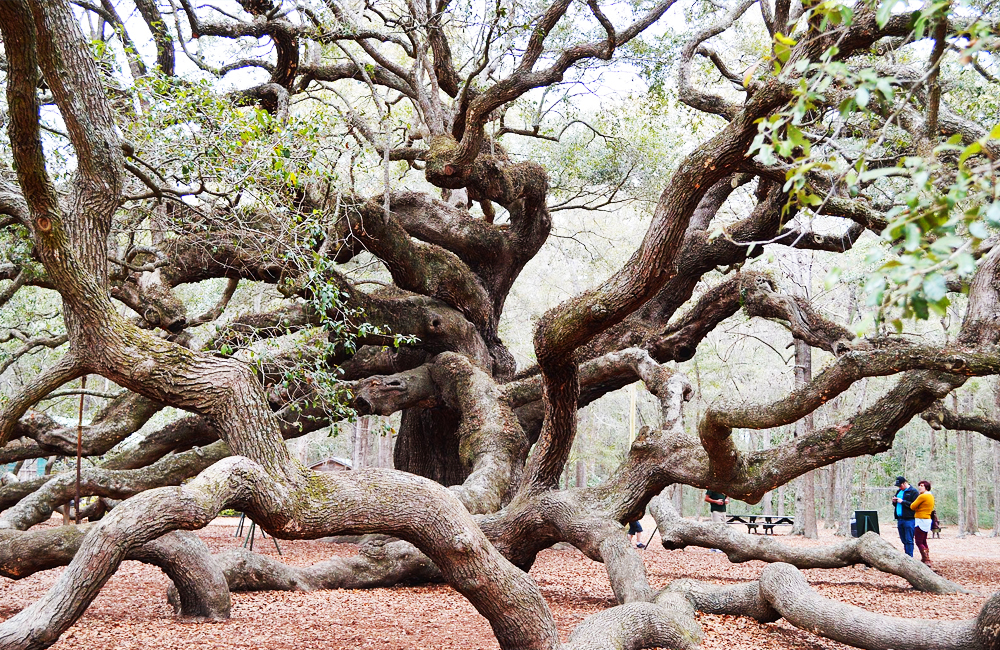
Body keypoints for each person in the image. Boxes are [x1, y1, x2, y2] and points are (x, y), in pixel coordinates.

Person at [891, 476, 919, 557]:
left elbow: (914, 505)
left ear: (905, 483)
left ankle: (909, 557)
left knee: (909, 540)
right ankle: (906, 555)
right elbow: (896, 505)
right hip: (900, 519)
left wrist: (903, 501)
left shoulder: (913, 492)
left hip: (909, 519)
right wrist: (894, 501)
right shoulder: (899, 491)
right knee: (903, 539)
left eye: (900, 485)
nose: (899, 487)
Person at [909, 480, 935, 566]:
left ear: (926, 487)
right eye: (919, 485)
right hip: (927, 519)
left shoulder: (922, 496)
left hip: (920, 519)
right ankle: (926, 558)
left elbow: (912, 506)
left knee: (919, 541)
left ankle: (926, 559)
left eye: (922, 485)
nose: (920, 487)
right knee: (924, 540)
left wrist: (917, 508)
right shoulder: (931, 496)